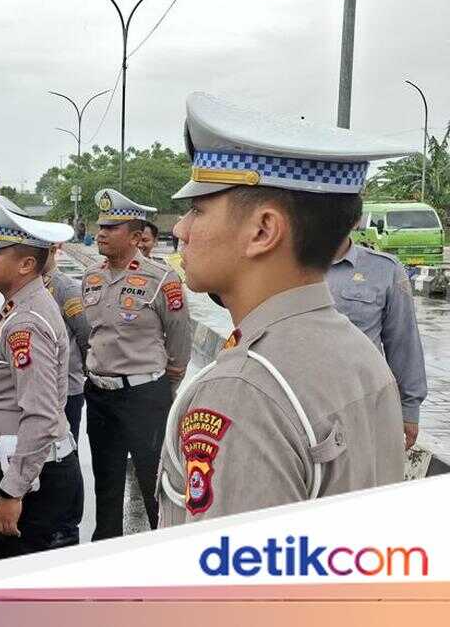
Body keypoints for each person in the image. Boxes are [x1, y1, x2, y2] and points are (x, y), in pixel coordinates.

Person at [157, 92, 407, 525]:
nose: (180, 228)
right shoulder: (358, 350)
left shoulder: (242, 391)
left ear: (263, 231)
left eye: (198, 209)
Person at [0, 205, 83, 558]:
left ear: (25, 265)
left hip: (35, 480)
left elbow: (40, 415)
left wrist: (13, 490)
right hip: (25, 467)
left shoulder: (27, 323)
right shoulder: (20, 307)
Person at [83, 188, 192, 540]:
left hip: (144, 395)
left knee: (153, 481)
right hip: (100, 395)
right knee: (106, 481)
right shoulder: (91, 277)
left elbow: (180, 336)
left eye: (111, 228)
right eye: (101, 226)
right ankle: (108, 549)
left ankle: (163, 548)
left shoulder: (161, 279)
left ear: (134, 237)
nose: (101, 233)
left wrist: (168, 382)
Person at [327, 232, 427, 449]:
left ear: (355, 220)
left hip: (360, 409)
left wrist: (409, 409)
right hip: (296, 406)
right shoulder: (283, 266)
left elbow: (403, 342)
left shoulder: (384, 269)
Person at [42, 242, 90, 442]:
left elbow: (85, 335)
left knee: (66, 449)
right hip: (40, 390)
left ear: (53, 250)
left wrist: (84, 368)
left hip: (66, 389)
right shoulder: (27, 286)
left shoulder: (66, 288)